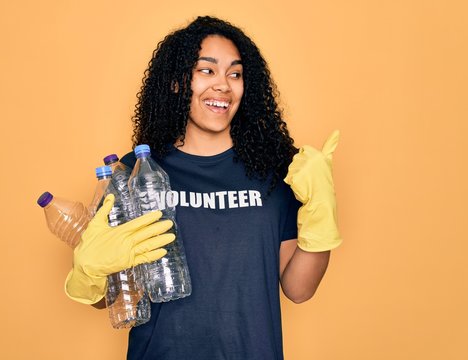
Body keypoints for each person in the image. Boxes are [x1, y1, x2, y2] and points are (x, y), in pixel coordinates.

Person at [64, 16, 342, 359]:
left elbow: (299, 289)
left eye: (235, 73)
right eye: (207, 71)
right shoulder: (135, 172)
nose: (223, 85)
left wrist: (322, 211)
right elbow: (108, 299)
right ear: (178, 82)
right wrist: (89, 269)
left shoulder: (276, 170)